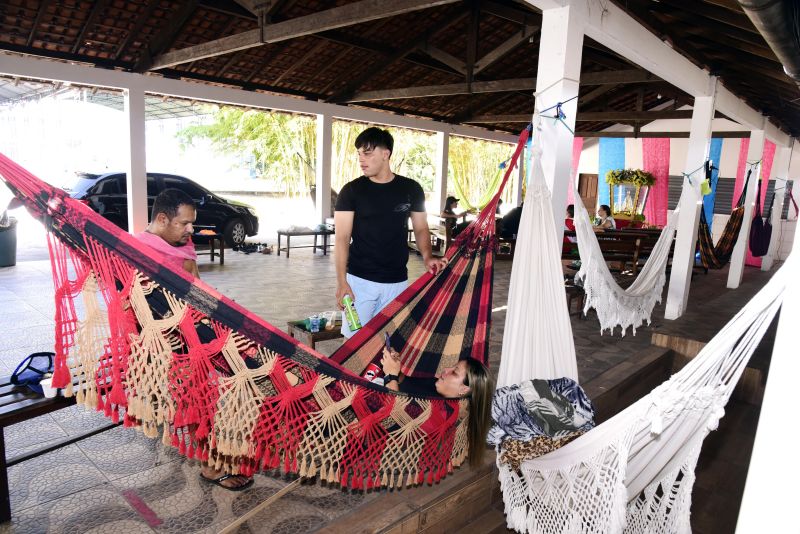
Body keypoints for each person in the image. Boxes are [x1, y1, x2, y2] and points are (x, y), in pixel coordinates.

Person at [136, 189, 253, 491]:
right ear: (162, 219)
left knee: (208, 394)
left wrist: (221, 310)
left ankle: (215, 451)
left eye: (192, 223)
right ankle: (210, 466)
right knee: (195, 398)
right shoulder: (138, 254)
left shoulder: (182, 245)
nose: (191, 230)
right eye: (185, 223)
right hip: (168, 341)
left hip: (193, 331)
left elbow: (196, 284)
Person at [334, 127, 446, 338]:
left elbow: (421, 228)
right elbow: (341, 238)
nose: (361, 159)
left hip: (397, 282)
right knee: (354, 345)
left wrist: (427, 256)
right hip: (360, 282)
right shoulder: (351, 191)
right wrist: (342, 282)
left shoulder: (411, 188)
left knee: (390, 344)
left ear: (385, 154)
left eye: (367, 153)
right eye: (359, 153)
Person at [380, 348, 494, 468]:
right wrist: (395, 366)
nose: (446, 370)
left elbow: (391, 418)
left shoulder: (444, 415)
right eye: (452, 367)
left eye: (454, 372)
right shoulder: (437, 387)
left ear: (464, 389)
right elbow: (405, 382)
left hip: (378, 445)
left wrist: (390, 375)